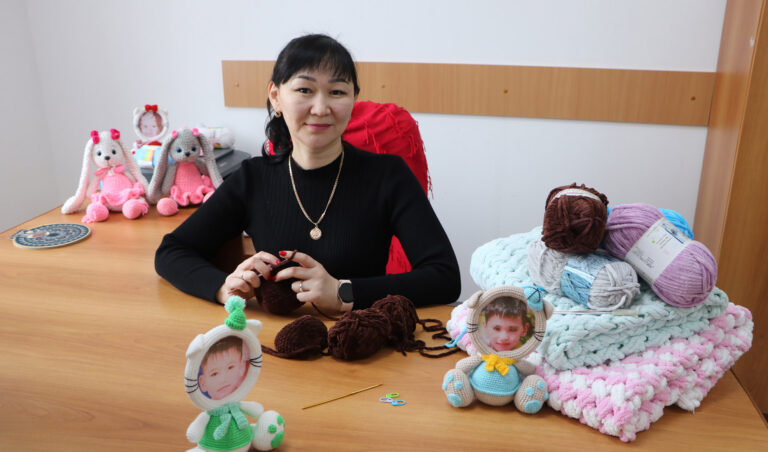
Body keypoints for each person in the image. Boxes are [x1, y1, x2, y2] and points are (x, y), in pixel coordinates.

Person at [155, 33, 460, 313]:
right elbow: (172, 251)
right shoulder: (252, 178)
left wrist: (343, 292)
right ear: (276, 96)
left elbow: (444, 276)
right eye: (304, 90)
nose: (321, 108)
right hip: (273, 341)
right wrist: (223, 288)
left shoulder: (388, 176)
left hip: (363, 340)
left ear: (353, 99)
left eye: (337, 92)